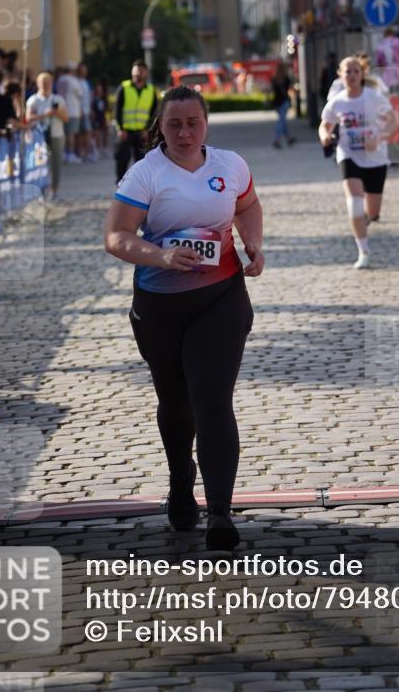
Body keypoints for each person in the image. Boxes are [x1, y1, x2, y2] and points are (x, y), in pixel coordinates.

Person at [104, 85, 264, 550]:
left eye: (193, 122)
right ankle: (180, 483)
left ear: (206, 123)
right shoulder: (144, 175)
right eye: (174, 124)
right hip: (160, 307)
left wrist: (253, 242)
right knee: (177, 405)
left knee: (213, 400)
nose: (184, 132)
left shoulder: (230, 165)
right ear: (161, 126)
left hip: (221, 297)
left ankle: (220, 513)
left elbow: (248, 207)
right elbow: (116, 236)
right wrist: (159, 255)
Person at [318, 56, 396, 269]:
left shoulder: (374, 97)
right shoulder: (337, 102)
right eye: (347, 72)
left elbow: (393, 121)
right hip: (348, 154)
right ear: (340, 75)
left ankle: (364, 222)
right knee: (354, 202)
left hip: (375, 158)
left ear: (362, 74)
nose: (351, 75)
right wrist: (325, 136)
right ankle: (363, 250)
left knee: (372, 212)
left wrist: (378, 138)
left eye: (355, 71)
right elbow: (325, 125)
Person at [26, 72, 69, 199]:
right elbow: (28, 117)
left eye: (47, 82)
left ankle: (55, 190)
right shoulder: (34, 100)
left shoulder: (58, 99)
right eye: (42, 83)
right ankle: (42, 190)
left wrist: (57, 112)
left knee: (56, 164)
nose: (45, 85)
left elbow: (66, 118)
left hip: (56, 134)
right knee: (41, 164)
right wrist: (45, 114)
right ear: (38, 84)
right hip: (39, 136)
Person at [114, 60, 158, 183]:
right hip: (125, 132)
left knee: (142, 162)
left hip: (142, 133)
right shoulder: (124, 87)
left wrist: (148, 130)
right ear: (132, 72)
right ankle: (120, 184)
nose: (138, 73)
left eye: (141, 70)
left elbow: (154, 113)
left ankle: (140, 186)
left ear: (146, 73)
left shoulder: (151, 90)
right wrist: (120, 128)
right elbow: (117, 109)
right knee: (122, 159)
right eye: (136, 70)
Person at [56, 63, 83, 163]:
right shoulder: (73, 80)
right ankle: (70, 153)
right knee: (71, 134)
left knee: (64, 133)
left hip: (62, 109)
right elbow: (80, 94)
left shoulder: (60, 79)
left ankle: (64, 153)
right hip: (72, 110)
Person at [375, 27, 399, 92]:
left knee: (389, 92)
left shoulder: (380, 44)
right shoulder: (398, 41)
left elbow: (379, 63)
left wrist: (381, 74)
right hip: (398, 70)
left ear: (384, 35)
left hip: (387, 72)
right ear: (393, 34)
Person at [270, 61, 296, 149]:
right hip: (284, 101)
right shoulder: (286, 79)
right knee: (281, 122)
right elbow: (289, 90)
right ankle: (276, 140)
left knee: (282, 121)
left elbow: (272, 91)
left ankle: (289, 139)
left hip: (276, 102)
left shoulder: (274, 79)